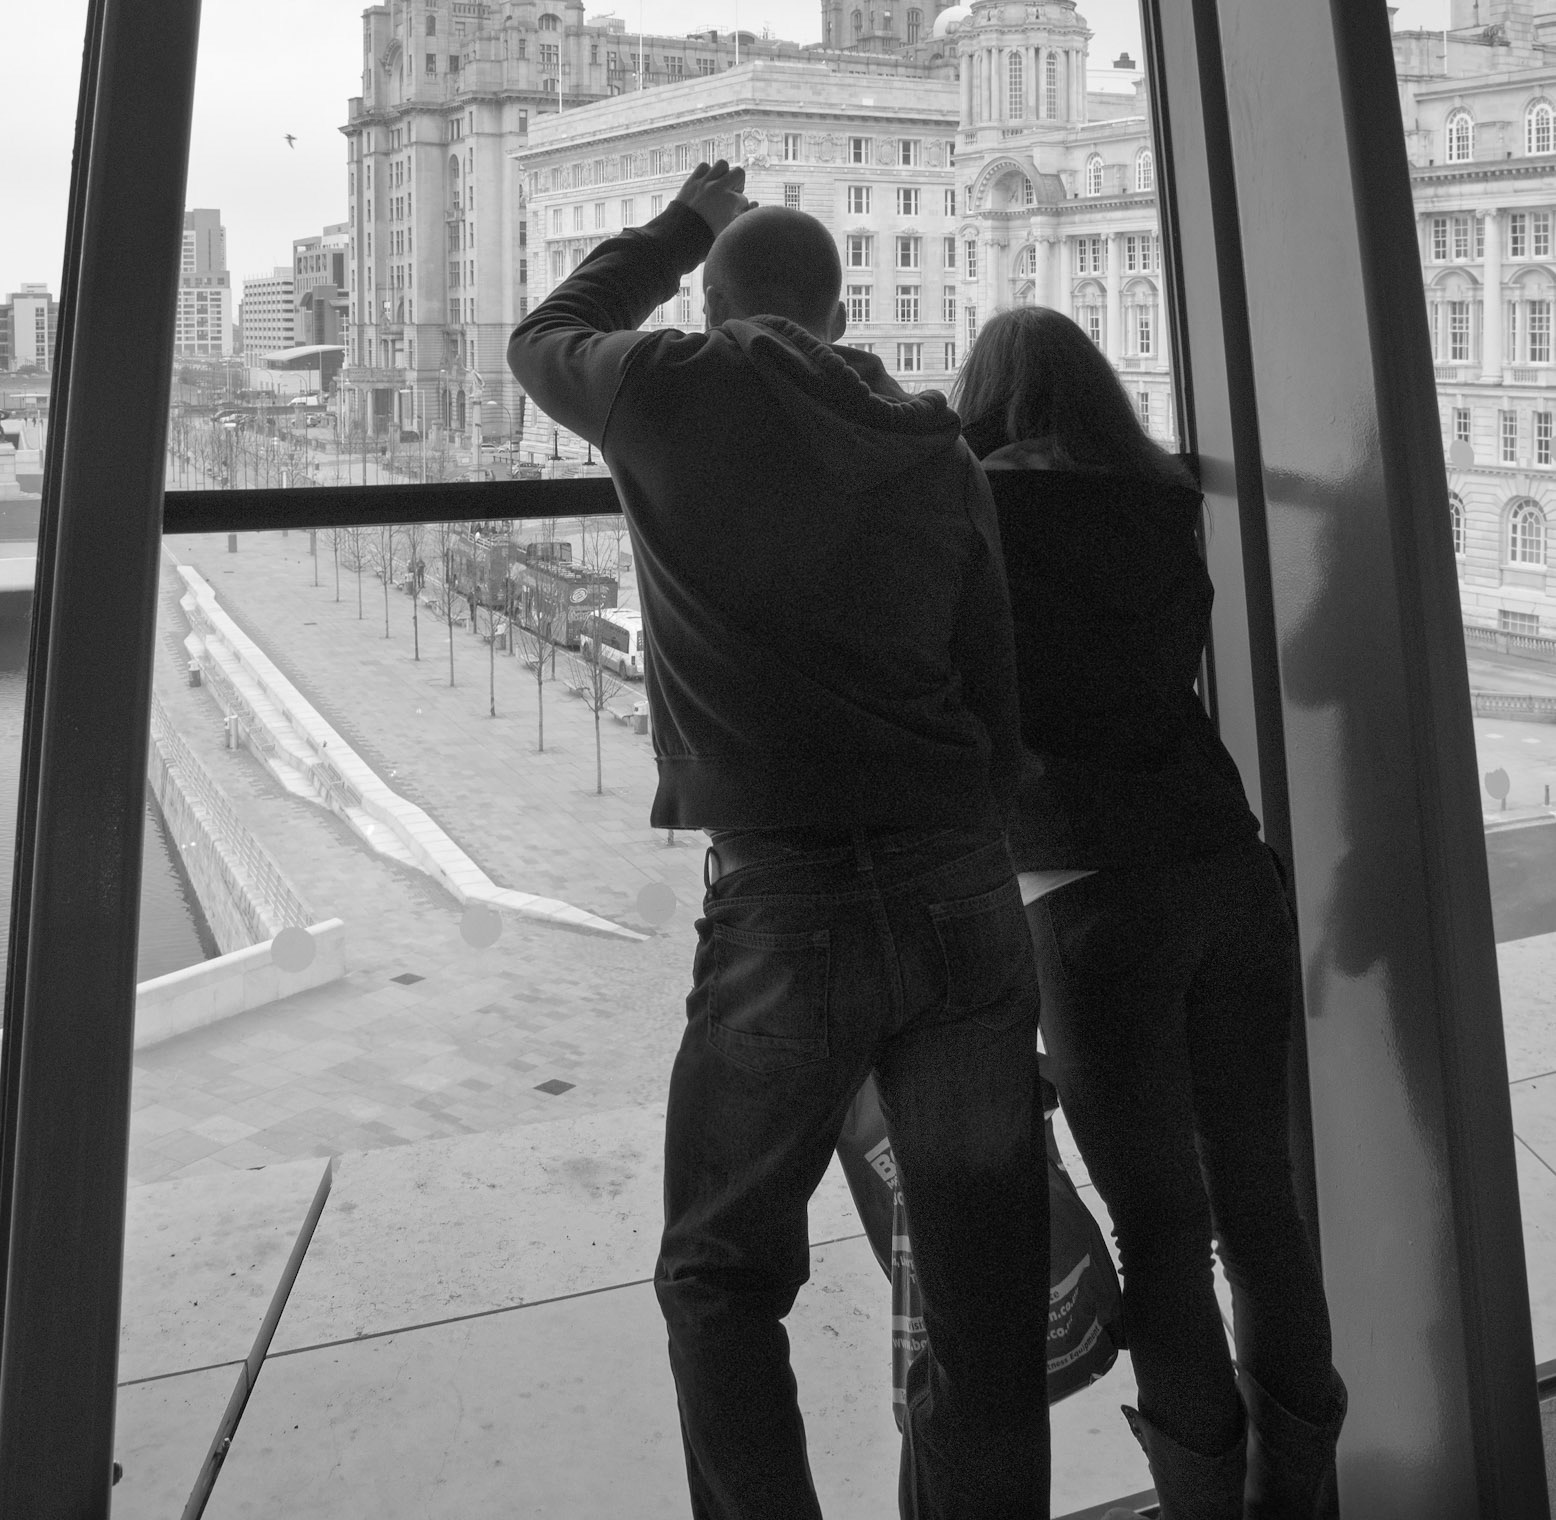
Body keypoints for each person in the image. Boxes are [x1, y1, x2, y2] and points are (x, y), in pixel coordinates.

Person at [507, 163, 1051, 1520]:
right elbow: (997, 697)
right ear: (837, 304)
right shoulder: (931, 440)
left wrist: (683, 224)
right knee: (984, 1290)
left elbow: (543, 335)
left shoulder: (673, 390)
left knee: (724, 1274)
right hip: (960, 886)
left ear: (715, 299)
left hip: (787, 899)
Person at [953, 306, 1345, 1520]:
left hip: (1083, 888)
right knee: (1260, 1210)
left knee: (1159, 1231)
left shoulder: (969, 514)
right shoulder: (1160, 501)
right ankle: (1300, 1502)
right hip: (1225, 864)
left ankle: (1201, 1504)